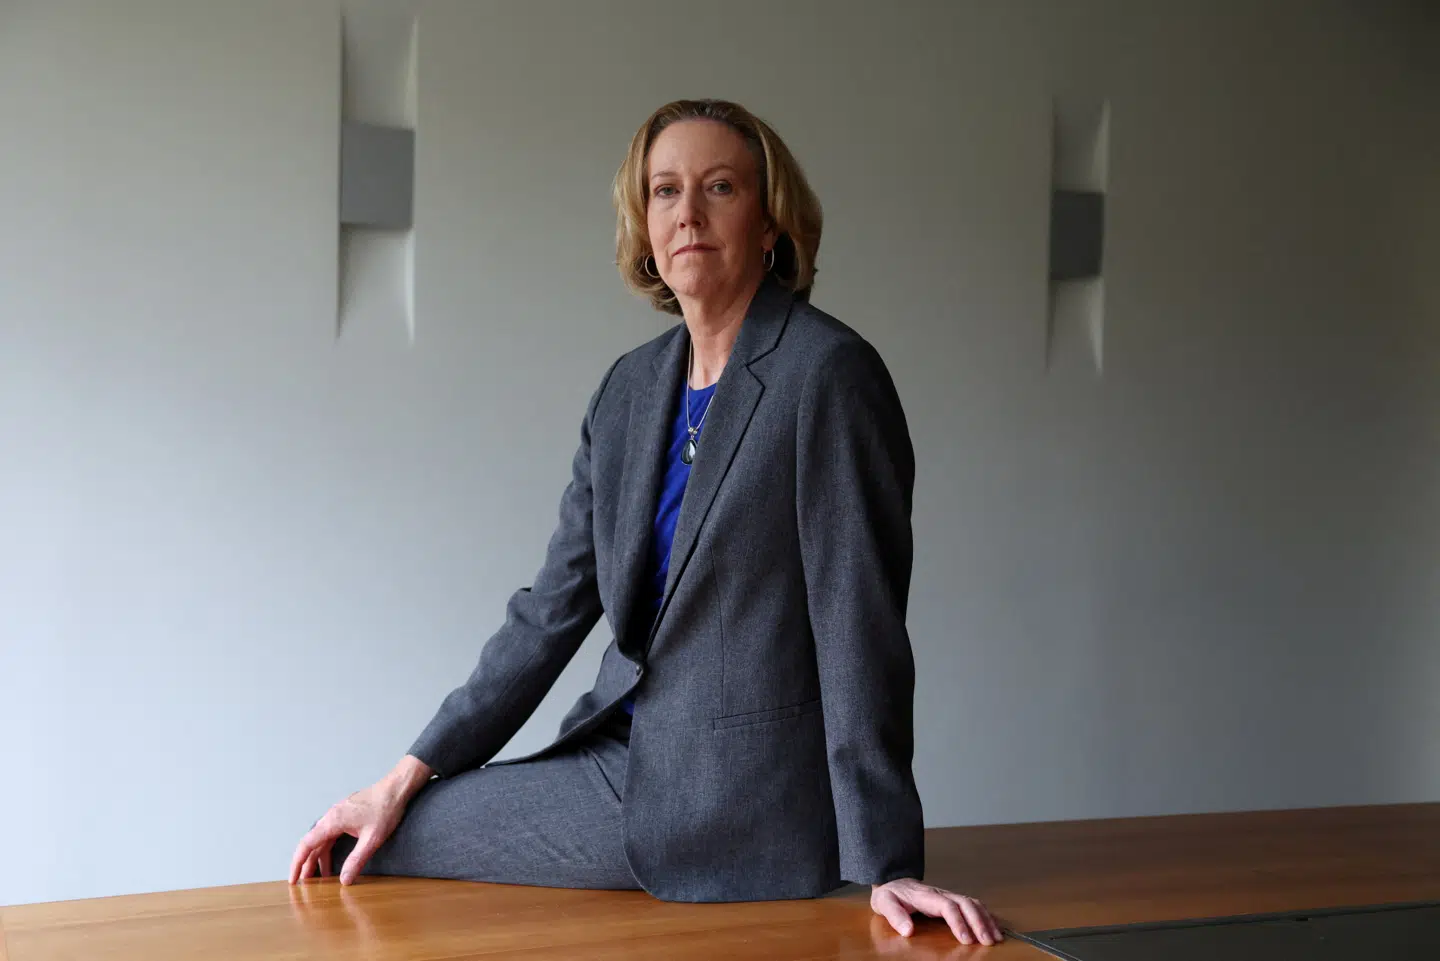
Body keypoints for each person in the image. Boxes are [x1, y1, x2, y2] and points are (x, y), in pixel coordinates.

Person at [289, 99, 1003, 947]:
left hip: (743, 796)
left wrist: (887, 861)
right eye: (665, 191)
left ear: (769, 221)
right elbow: (549, 610)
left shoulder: (828, 375)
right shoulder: (628, 391)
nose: (688, 213)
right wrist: (404, 773)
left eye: (720, 187)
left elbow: (859, 625)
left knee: (373, 857)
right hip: (618, 755)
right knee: (372, 835)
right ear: (645, 225)